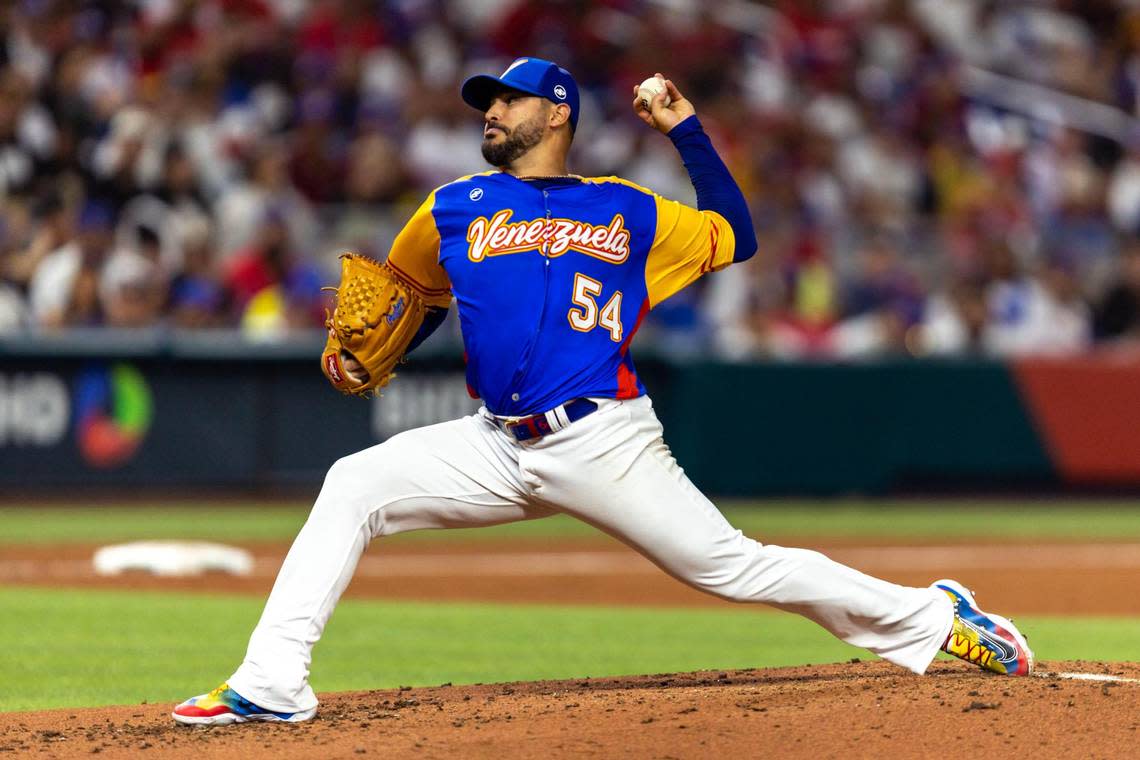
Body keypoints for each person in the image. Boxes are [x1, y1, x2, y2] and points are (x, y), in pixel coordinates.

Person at [173, 58, 1032, 725]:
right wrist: (370, 352)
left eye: (506, 101)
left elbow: (737, 232)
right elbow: (413, 295)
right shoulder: (453, 206)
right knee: (352, 484)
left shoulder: (627, 209)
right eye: (487, 102)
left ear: (555, 115)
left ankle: (933, 616)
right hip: (494, 442)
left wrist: (686, 129)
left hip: (603, 440)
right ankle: (272, 681)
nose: (491, 112)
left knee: (732, 567)